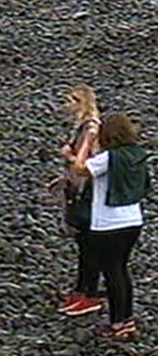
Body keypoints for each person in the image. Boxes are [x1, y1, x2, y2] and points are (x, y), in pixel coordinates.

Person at [70, 113, 148, 339]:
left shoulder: (109, 158)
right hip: (133, 219)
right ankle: (127, 319)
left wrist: (86, 142)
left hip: (108, 223)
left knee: (112, 273)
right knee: (122, 271)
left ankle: (117, 323)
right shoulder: (137, 154)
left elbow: (80, 168)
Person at [51, 85, 102, 316]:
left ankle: (87, 293)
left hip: (86, 194)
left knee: (87, 245)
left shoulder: (90, 129)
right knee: (83, 244)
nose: (66, 105)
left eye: (70, 100)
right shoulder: (84, 127)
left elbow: (86, 165)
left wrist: (68, 156)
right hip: (79, 191)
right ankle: (81, 290)